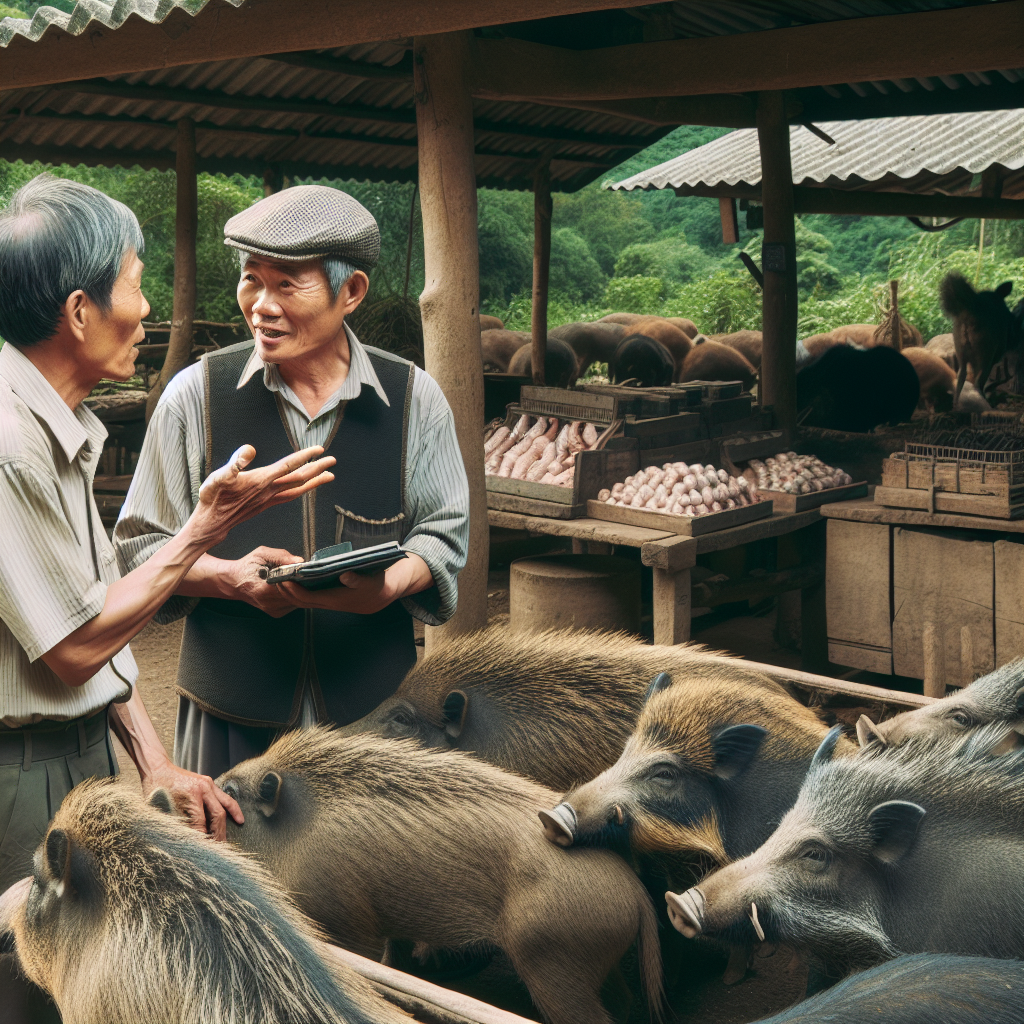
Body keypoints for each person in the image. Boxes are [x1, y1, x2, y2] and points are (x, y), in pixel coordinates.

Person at [0, 174, 334, 1021]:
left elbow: (97, 611)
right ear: (80, 312)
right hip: (17, 773)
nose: (148, 310)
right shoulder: (10, 447)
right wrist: (202, 531)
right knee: (28, 998)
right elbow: (74, 647)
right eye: (136, 284)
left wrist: (152, 760)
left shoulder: (55, 427)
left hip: (72, 754)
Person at [115, 184, 469, 780]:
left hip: (376, 719)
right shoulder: (194, 396)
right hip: (228, 714)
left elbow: (443, 535)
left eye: (287, 284)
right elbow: (139, 549)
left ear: (351, 291)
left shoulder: (414, 399)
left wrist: (388, 585)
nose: (262, 305)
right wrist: (229, 578)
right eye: (252, 280)